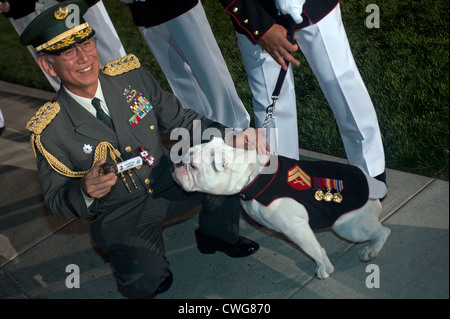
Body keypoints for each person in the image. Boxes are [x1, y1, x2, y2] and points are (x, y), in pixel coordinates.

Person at [21, 0, 266, 297]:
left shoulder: (130, 78)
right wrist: (85, 191)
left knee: (222, 170)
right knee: (147, 283)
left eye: (86, 43)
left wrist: (230, 136)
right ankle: (145, 263)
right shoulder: (50, 131)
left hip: (168, 179)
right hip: (120, 212)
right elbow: (56, 202)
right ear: (47, 64)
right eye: (68, 52)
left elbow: (181, 119)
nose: (84, 58)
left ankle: (216, 235)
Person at [218, 0, 387, 187]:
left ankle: (371, 174)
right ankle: (283, 183)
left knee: (341, 82)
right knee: (273, 104)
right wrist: (259, 26)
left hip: (314, 5)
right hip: (258, 8)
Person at [122, 0, 250, 129]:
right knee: (179, 80)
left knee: (209, 71)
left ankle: (238, 129)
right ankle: (203, 134)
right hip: (143, 13)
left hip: (180, 7)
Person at [1, 0, 126, 91]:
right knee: (58, 67)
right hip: (28, 5)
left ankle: (129, 95)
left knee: (109, 55)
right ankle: (84, 113)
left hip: (76, 2)